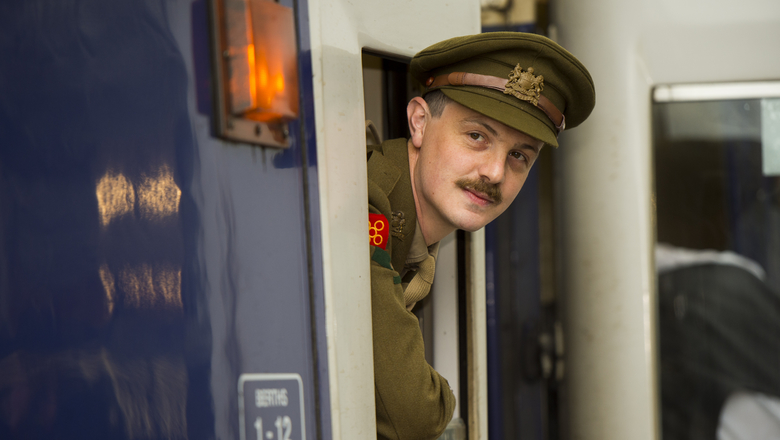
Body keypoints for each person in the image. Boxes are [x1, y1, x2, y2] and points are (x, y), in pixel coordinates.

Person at [366, 32, 596, 439]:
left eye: (519, 156)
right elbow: (412, 415)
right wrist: (443, 403)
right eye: (477, 136)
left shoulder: (409, 237)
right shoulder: (368, 207)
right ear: (419, 122)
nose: (495, 172)